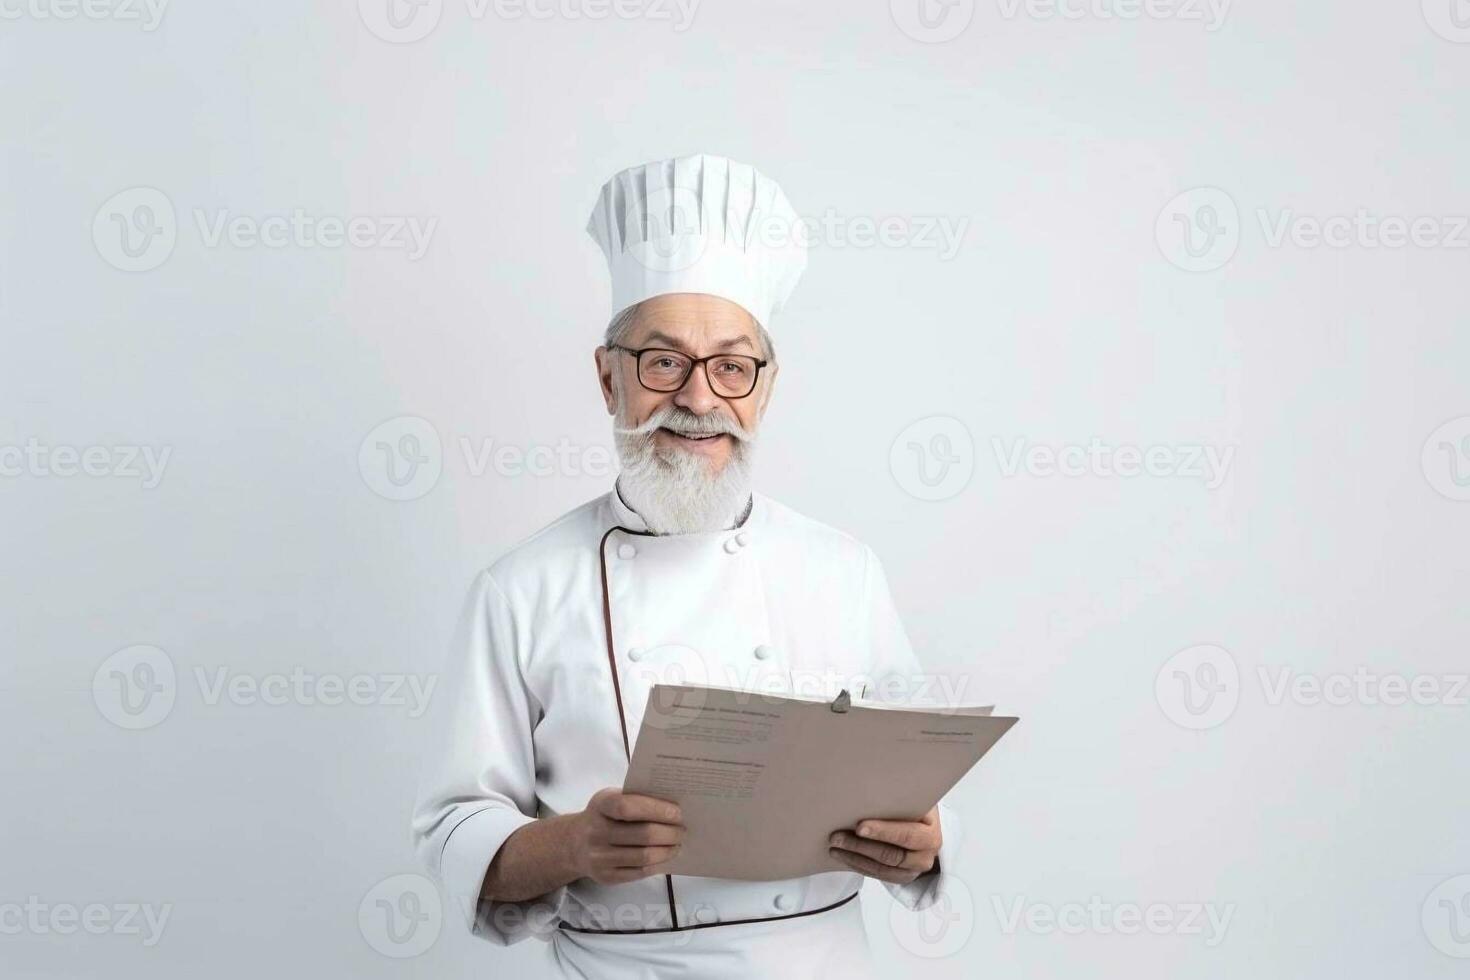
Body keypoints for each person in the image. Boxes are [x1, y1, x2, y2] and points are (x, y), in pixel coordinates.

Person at [412, 153, 957, 979]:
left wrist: (924, 845)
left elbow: (922, 779)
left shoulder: (844, 570)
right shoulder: (521, 589)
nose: (699, 400)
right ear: (608, 379)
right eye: (663, 362)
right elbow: (456, 829)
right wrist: (575, 843)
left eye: (732, 366)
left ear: (764, 391)